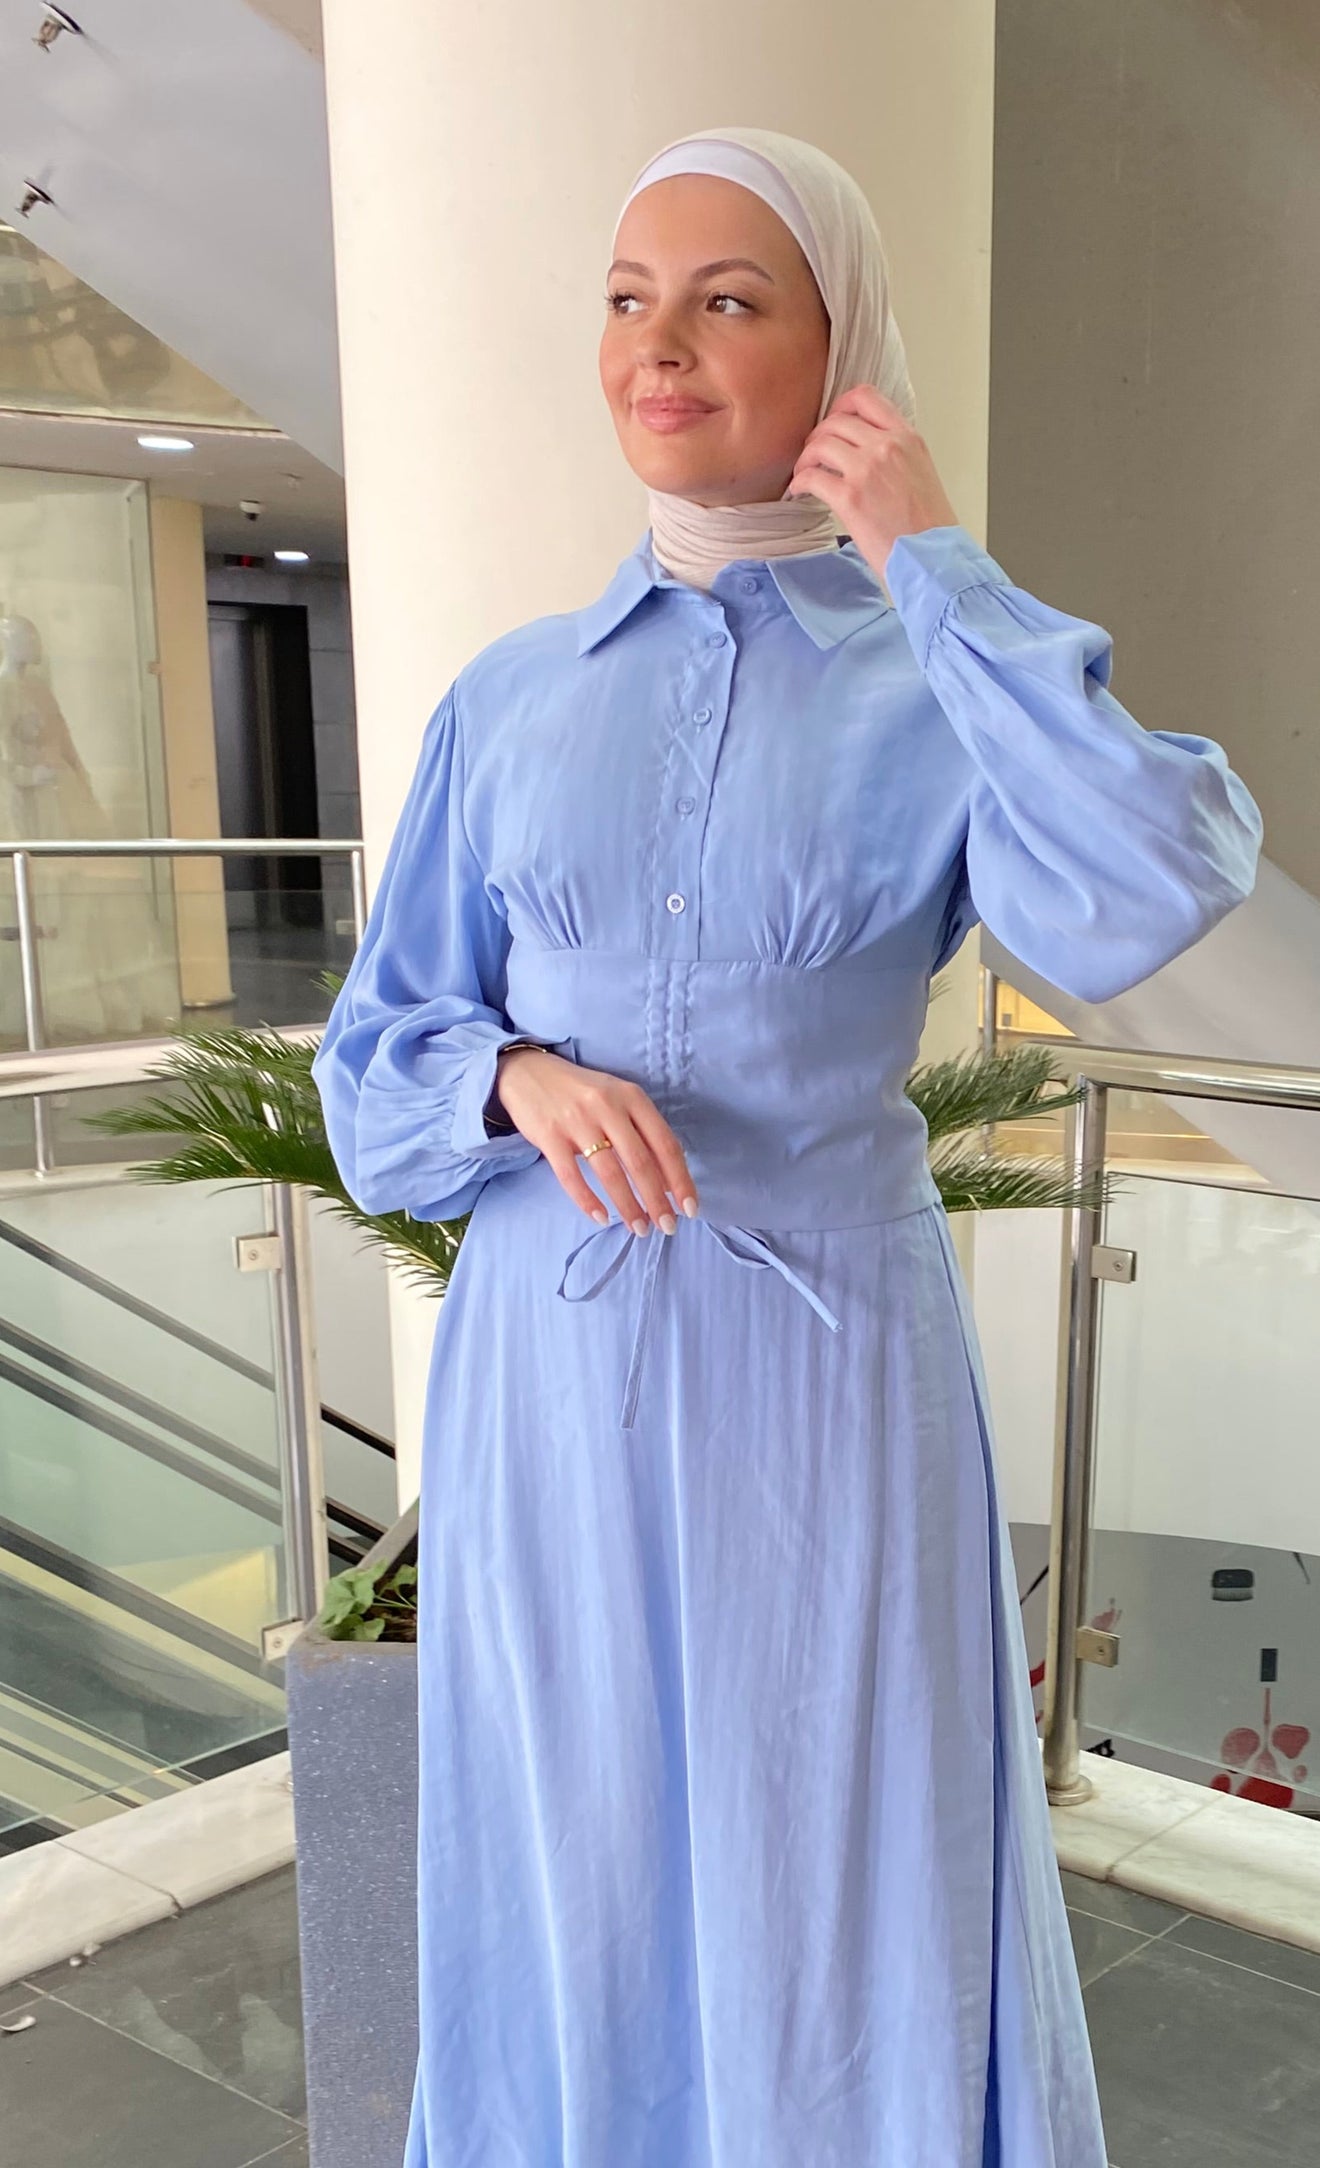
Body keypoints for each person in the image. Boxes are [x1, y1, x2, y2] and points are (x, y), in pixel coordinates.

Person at [312, 125, 1263, 2166]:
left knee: (834, 1866)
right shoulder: (510, 698)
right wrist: (511, 1082)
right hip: (548, 1391)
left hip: (821, 1385)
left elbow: (1150, 876)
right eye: (630, 299)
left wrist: (934, 551)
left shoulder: (934, 683)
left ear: (840, 346)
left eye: (727, 299)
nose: (661, 345)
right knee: (575, 1857)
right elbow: (371, 1058)